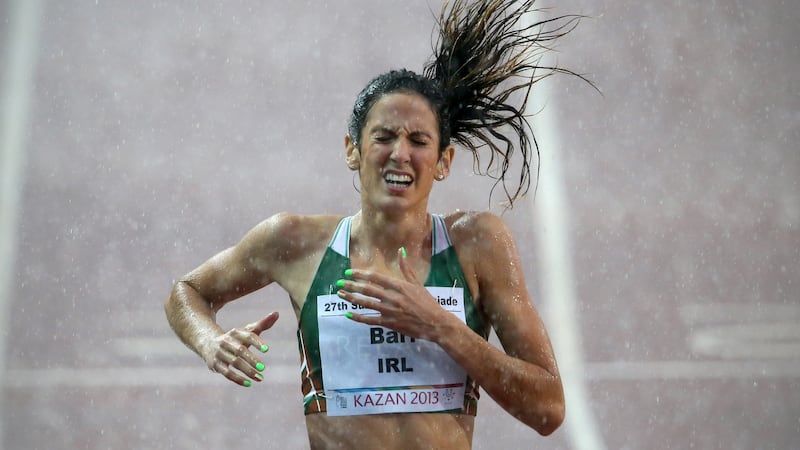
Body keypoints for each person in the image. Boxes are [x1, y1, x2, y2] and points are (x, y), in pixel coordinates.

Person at [165, 0, 587, 448]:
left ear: (444, 160)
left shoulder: (477, 245)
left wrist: (441, 327)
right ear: (353, 150)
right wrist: (211, 343)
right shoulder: (295, 242)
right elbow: (186, 293)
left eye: (419, 141)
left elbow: (548, 409)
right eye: (383, 137)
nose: (400, 154)